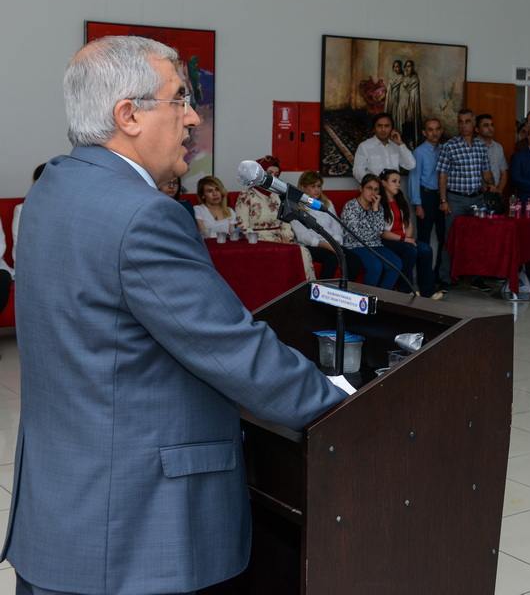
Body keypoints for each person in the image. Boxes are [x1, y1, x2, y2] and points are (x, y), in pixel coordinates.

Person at [3, 35, 347, 595]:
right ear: (128, 115)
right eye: (180, 99)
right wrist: (347, 407)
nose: (192, 118)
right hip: (131, 531)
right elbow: (233, 349)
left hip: (62, 511)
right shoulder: (143, 216)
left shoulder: (53, 189)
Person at [437, 109, 492, 291]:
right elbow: (443, 175)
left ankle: (477, 278)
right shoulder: (449, 146)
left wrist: (492, 185)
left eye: (467, 121)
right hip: (455, 199)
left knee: (478, 240)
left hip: (476, 199)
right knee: (450, 239)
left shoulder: (480, 146)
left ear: (474, 125)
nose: (463, 125)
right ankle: (445, 279)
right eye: (460, 122)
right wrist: (443, 200)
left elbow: (485, 172)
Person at [290, 171, 364, 282]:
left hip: (331, 243)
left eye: (319, 186)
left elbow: (336, 225)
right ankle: (324, 289)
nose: (317, 189)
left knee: (355, 260)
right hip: (311, 245)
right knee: (331, 258)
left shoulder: (327, 203)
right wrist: (324, 245)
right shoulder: (296, 207)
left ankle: (346, 289)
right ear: (303, 188)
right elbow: (302, 236)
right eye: (313, 186)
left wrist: (336, 241)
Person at [379, 168, 440, 298]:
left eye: (399, 182)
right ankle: (405, 289)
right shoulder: (379, 202)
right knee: (409, 249)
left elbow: (408, 223)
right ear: (384, 183)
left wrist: (407, 237)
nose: (398, 184)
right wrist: (404, 240)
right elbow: (381, 232)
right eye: (394, 181)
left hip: (403, 239)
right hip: (387, 240)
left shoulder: (399, 199)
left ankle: (428, 291)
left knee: (426, 249)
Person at [341, 174, 403, 289]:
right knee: (375, 266)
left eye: (376, 189)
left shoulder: (378, 207)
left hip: (375, 244)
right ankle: (367, 298)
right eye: (369, 188)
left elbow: (379, 231)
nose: (373, 192)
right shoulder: (351, 206)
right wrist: (372, 232)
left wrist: (375, 209)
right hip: (355, 245)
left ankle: (382, 295)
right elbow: (356, 234)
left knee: (396, 263)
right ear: (361, 188)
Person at [410, 117, 446, 276]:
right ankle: (424, 277)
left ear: (441, 130)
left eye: (437, 129)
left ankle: (439, 274)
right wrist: (418, 204)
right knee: (423, 239)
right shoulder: (419, 152)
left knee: (444, 238)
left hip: (443, 197)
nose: (434, 133)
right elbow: (414, 179)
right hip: (426, 197)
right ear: (424, 132)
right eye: (430, 130)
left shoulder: (445, 149)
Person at [234, 156, 295, 244]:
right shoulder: (246, 195)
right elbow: (242, 225)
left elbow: (286, 223)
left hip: (281, 241)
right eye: (269, 173)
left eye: (276, 175)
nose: (273, 177)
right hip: (257, 242)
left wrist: (286, 238)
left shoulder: (280, 196)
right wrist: (258, 240)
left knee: (303, 251)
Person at [351, 112, 416, 182]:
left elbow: (410, 165)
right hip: (375, 187)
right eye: (379, 126)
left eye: (387, 126)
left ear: (392, 129)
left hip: (393, 188)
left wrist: (400, 143)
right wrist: (373, 183)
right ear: (374, 129)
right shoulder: (365, 146)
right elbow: (358, 170)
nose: (383, 129)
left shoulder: (396, 146)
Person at [10, 162, 46, 265]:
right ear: (35, 182)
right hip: (30, 265)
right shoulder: (22, 209)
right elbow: (20, 246)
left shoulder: (69, 209)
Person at [476, 112, 509, 196]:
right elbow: (472, 173)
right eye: (486, 125)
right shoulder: (472, 147)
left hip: (496, 192)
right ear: (477, 129)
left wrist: (499, 190)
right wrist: (486, 188)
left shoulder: (498, 147)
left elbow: (503, 172)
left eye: (492, 125)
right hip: (478, 193)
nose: (490, 128)